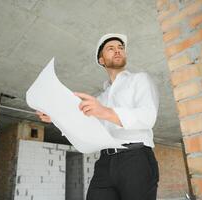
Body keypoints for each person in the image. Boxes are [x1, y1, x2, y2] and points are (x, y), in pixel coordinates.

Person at [36, 33, 159, 200]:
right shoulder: (100, 99)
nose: (117, 51)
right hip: (105, 162)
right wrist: (55, 117)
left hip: (136, 158)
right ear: (101, 60)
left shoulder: (139, 79)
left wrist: (105, 112)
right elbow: (82, 126)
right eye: (111, 48)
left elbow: (148, 116)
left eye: (120, 48)